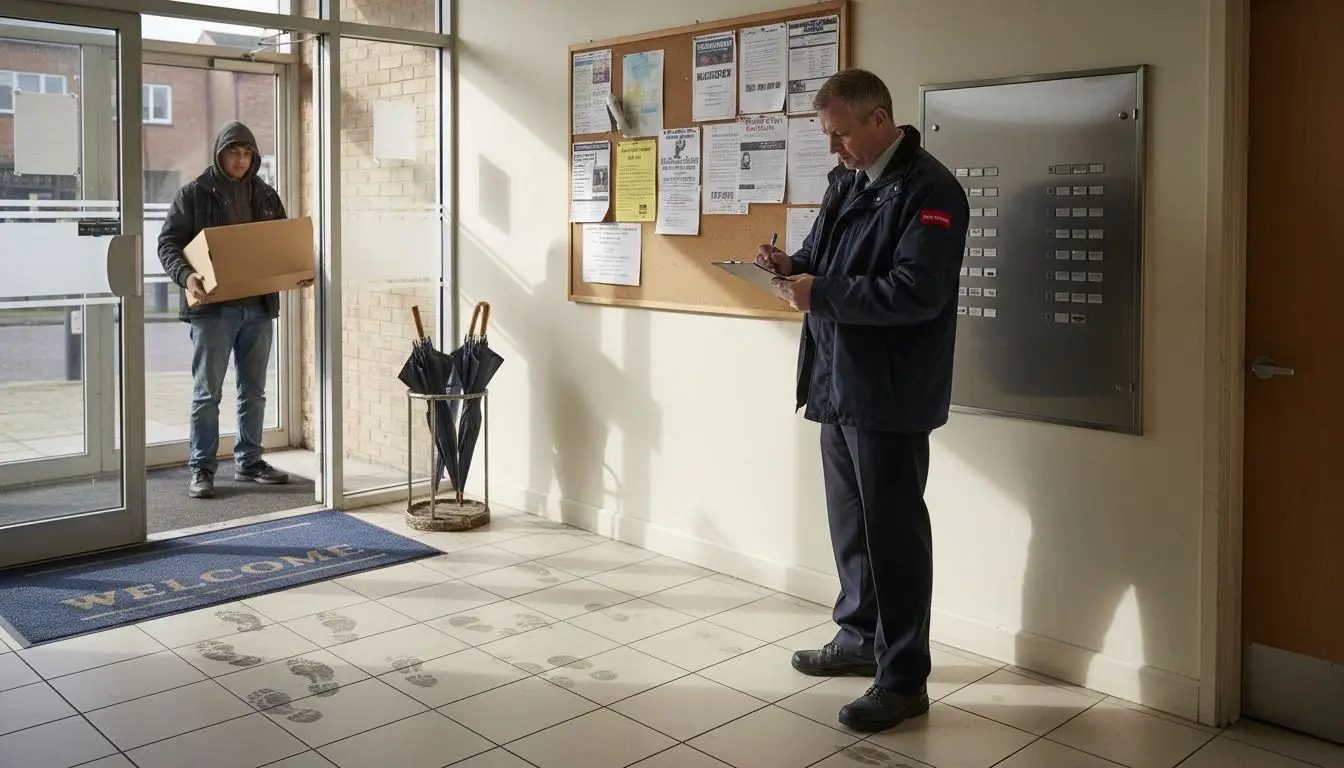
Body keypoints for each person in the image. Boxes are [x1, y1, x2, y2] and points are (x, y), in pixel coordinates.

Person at [755, 68, 969, 733]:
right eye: (829, 137)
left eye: (842, 136)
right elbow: (821, 254)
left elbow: (917, 292)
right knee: (852, 528)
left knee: (894, 536)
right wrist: (789, 266)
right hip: (837, 380)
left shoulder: (931, 191)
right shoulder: (848, 181)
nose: (835, 150)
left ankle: (903, 679)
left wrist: (821, 292)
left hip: (890, 393)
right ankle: (856, 638)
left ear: (879, 121)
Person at [158, 121, 293, 499]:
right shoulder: (194, 194)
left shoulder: (266, 196)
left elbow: (282, 244)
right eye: (234, 152)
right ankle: (201, 468)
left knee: (254, 390)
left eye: (247, 153)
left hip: (258, 308)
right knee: (207, 394)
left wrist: (296, 269)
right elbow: (168, 244)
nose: (241, 159)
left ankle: (249, 462)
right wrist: (186, 277)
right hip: (213, 311)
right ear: (220, 154)